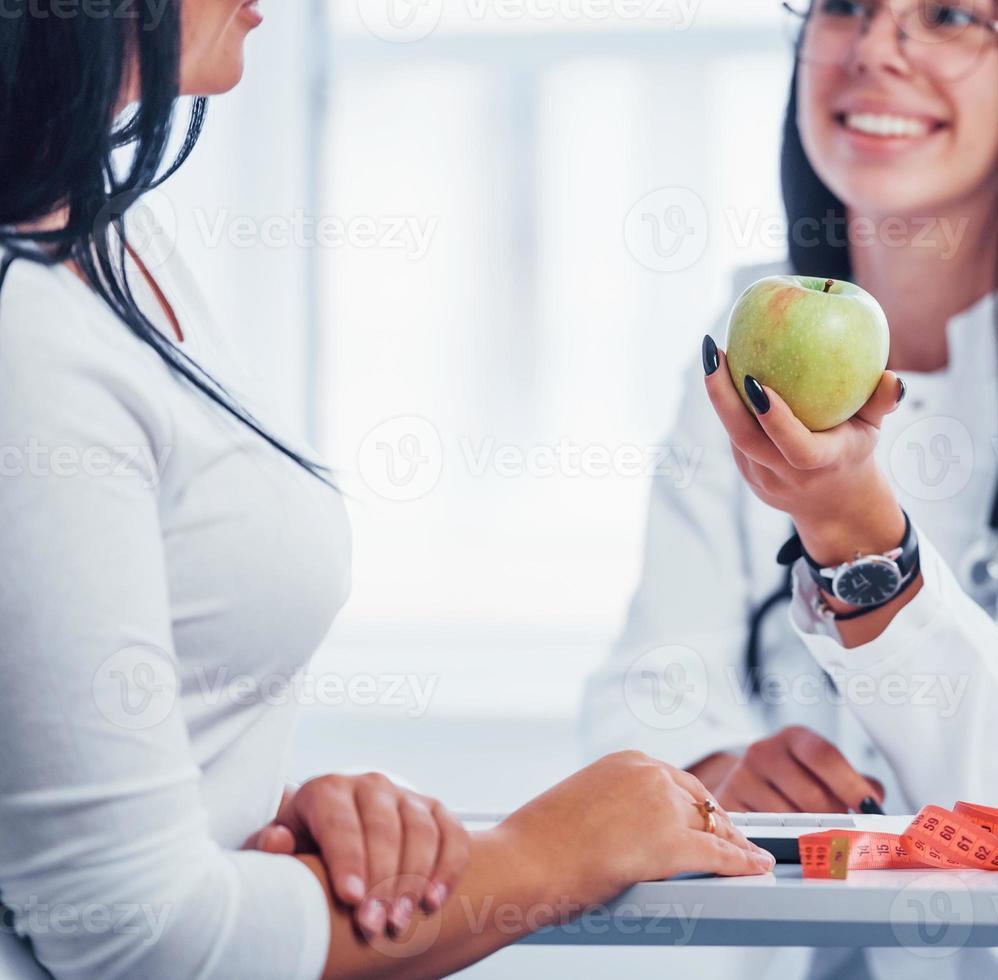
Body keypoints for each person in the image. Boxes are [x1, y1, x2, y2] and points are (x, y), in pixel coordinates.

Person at [0, 3, 772, 978]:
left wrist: (289, 828)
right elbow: (131, 932)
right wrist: (547, 853)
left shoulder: (109, 237)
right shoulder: (23, 326)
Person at [582, 0, 998, 976]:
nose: (872, 49)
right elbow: (638, 686)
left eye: (946, 15)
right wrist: (713, 771)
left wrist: (855, 536)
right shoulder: (742, 351)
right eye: (846, 6)